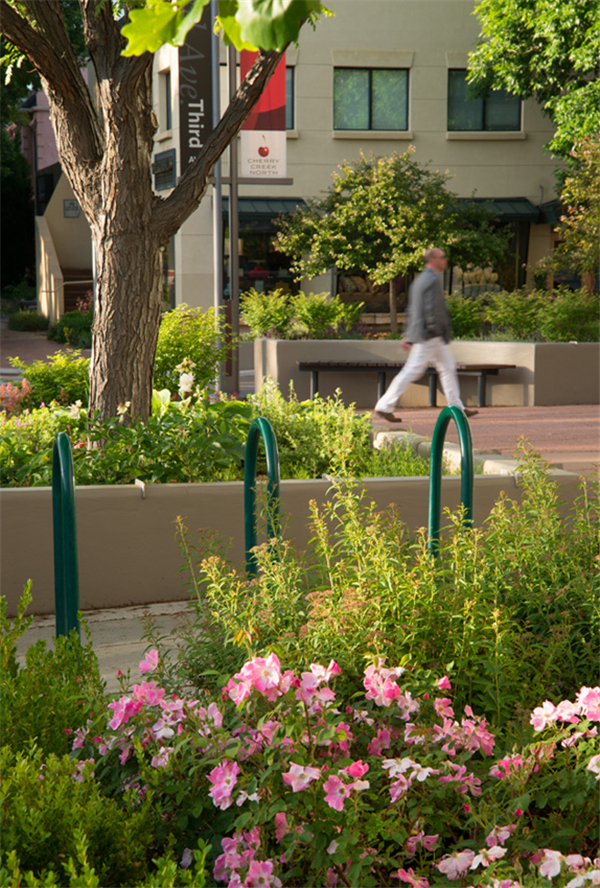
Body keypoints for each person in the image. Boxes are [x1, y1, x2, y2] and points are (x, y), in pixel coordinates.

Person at [373, 248, 478, 422]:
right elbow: (431, 309)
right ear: (433, 260)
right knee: (413, 370)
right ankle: (384, 406)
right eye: (443, 257)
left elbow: (413, 309)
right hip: (429, 335)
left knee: (447, 367)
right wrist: (429, 331)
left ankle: (457, 406)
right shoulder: (430, 280)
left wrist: (409, 335)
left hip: (429, 335)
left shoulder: (423, 279)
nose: (446, 260)